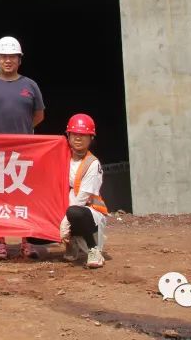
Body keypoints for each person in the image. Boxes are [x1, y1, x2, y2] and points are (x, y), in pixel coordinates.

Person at [0, 35, 45, 260]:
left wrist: (20, 132)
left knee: (24, 196)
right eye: (3, 56)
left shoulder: (30, 85)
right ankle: (0, 242)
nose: (8, 60)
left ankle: (26, 241)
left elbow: (38, 115)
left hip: (24, 152)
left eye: (12, 56)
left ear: (19, 60)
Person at [59, 113, 107, 269]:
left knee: (74, 212)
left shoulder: (92, 163)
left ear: (91, 138)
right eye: (74, 134)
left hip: (88, 211)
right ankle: (71, 243)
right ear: (68, 136)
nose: (78, 138)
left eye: (83, 135)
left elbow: (82, 197)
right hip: (68, 206)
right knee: (35, 238)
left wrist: (65, 222)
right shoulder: (63, 157)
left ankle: (94, 250)